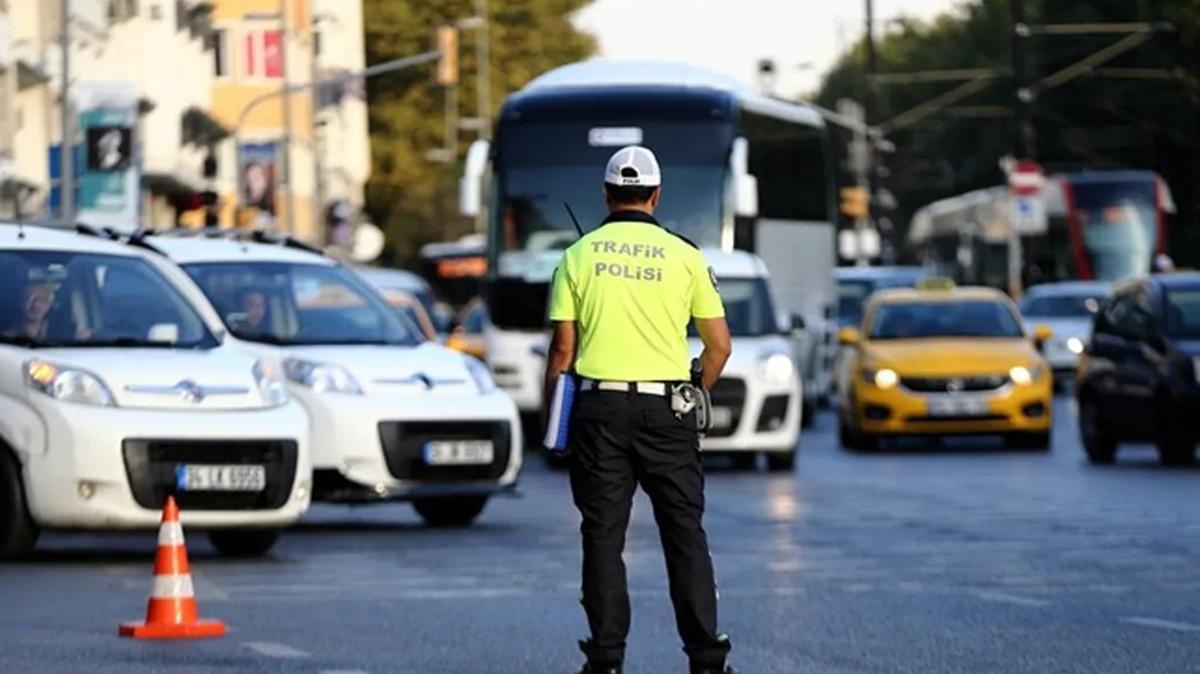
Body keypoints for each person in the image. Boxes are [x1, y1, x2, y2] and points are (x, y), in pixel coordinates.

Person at [543, 145, 736, 674]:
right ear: (655, 195)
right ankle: (706, 659)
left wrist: (555, 423)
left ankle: (605, 659)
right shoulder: (685, 255)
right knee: (683, 532)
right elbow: (719, 346)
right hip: (666, 411)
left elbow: (563, 353)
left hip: (599, 410)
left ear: (606, 194)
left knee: (603, 535)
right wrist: (695, 386)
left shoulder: (577, 256)